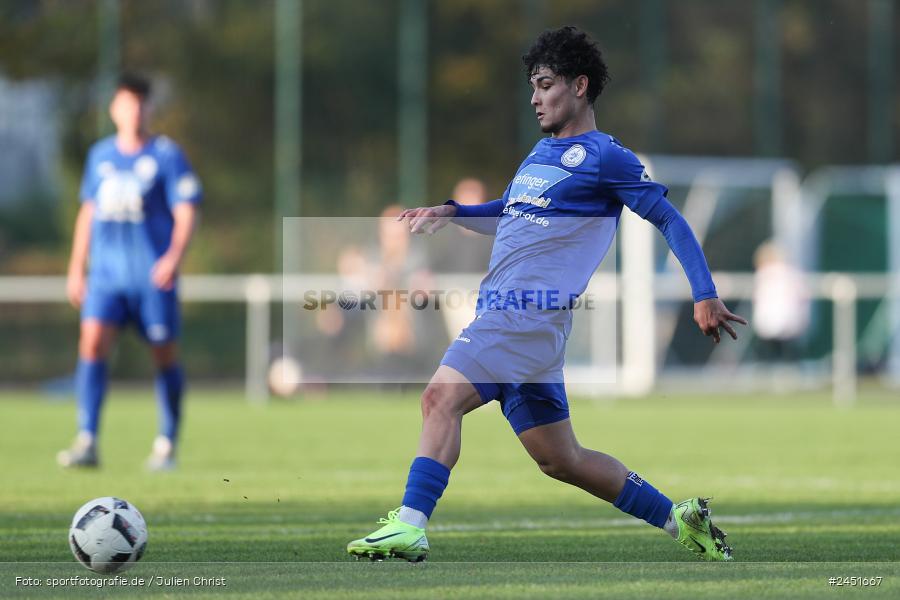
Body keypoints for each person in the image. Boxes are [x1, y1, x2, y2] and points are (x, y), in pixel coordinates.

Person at [347, 26, 746, 562]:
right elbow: (508, 213)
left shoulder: (606, 158)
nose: (535, 97)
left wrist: (703, 292)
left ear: (580, 86)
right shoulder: (540, 152)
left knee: (438, 398)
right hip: (526, 325)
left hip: (522, 318)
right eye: (532, 86)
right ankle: (680, 521)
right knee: (562, 460)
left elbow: (669, 219)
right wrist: (453, 212)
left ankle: (411, 524)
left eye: (545, 84)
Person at [57, 73, 201, 471]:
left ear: (149, 109)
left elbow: (187, 210)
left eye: (141, 103)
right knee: (91, 345)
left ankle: (167, 444)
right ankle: (87, 439)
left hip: (153, 279)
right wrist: (75, 267)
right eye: (126, 103)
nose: (134, 110)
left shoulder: (166, 155)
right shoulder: (100, 156)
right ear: (114, 109)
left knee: (163, 354)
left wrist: (173, 256)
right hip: (106, 278)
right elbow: (88, 211)